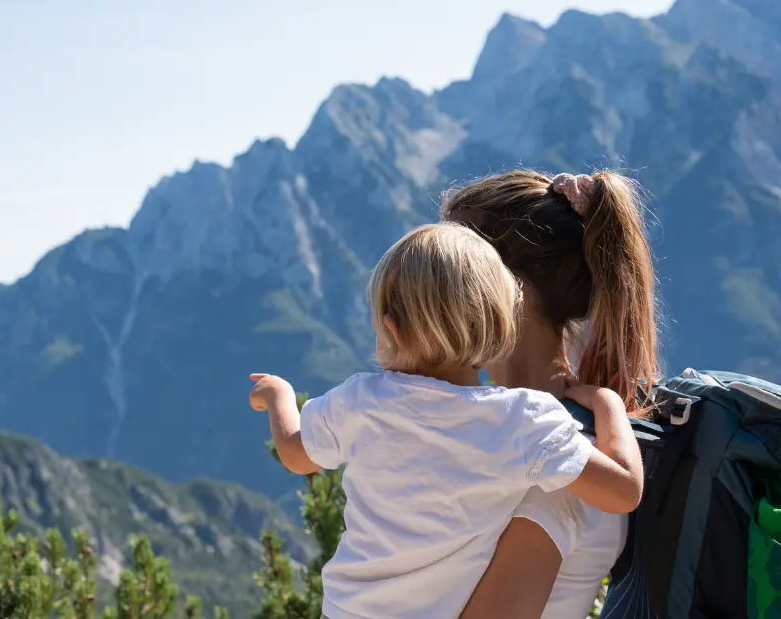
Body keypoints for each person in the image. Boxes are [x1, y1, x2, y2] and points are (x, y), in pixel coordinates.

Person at [248, 221, 645, 619]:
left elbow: (297, 455)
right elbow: (624, 490)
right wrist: (607, 403)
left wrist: (279, 395)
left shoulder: (361, 401)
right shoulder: (522, 421)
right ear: (499, 323)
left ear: (392, 329)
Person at [443, 170, 659, 619]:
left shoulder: (554, 461)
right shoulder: (541, 433)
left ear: (508, 288)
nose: (434, 290)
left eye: (452, 268)